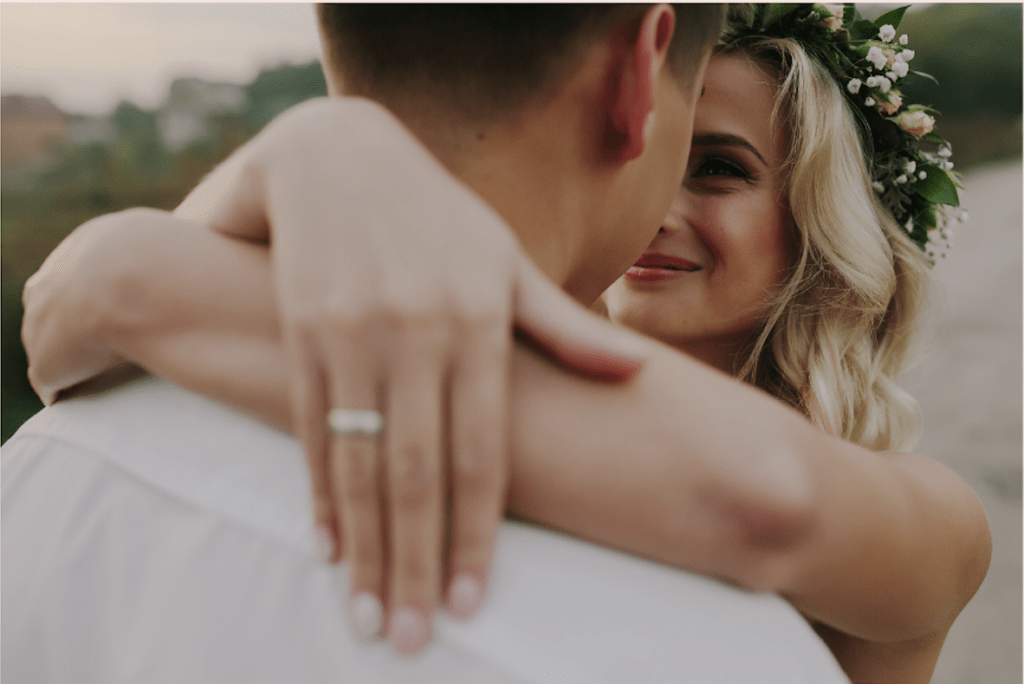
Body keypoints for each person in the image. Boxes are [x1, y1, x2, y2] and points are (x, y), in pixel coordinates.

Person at [11, 3, 992, 682]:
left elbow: (760, 497)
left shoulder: (927, 521)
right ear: (638, 81)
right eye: (677, 156)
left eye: (722, 170)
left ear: (823, 225)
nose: (665, 211)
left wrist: (127, 269)